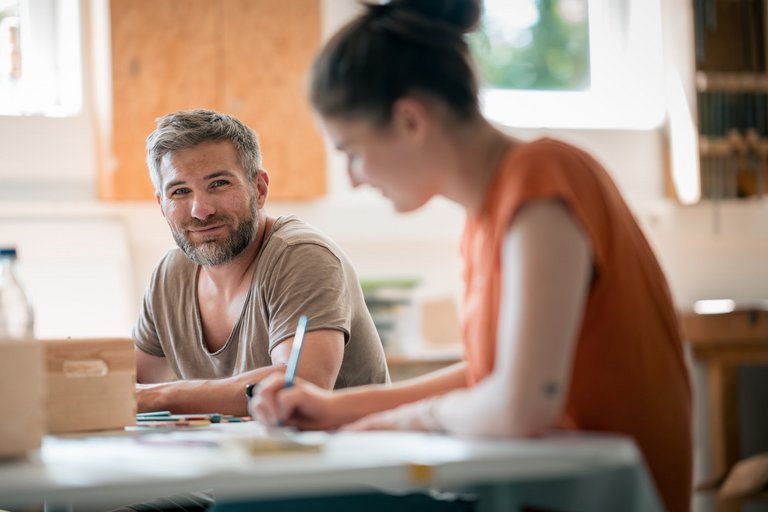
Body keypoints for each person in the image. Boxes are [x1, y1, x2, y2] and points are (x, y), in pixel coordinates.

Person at [251, 1, 693, 511]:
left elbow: (519, 405)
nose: (353, 176)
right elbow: (492, 375)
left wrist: (397, 419)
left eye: (350, 149)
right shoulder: (489, 216)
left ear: (410, 120)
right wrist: (337, 409)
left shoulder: (542, 180)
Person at [133, 109, 390, 417]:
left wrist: (162, 397)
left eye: (218, 184)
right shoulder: (169, 275)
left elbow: (298, 386)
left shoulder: (302, 255)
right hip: (240, 459)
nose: (201, 210)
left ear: (259, 189)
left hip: (341, 459)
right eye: (180, 191)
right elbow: (125, 384)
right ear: (162, 204)